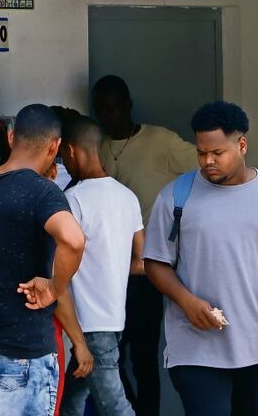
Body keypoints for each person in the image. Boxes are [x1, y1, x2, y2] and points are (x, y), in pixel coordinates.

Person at [143, 101, 258, 416]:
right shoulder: (175, 196)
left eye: (217, 153)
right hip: (196, 348)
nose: (208, 161)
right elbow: (155, 262)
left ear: (241, 145)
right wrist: (187, 301)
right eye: (201, 153)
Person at [0, 104, 86, 416]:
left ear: (11, 137)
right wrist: (53, 287)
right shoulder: (43, 193)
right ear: (55, 146)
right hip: (24, 347)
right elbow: (73, 240)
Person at [91, 74, 198, 416]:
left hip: (147, 270)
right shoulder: (101, 149)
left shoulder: (160, 141)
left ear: (128, 106)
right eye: (102, 111)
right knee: (106, 357)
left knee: (144, 359)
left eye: (113, 109)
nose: (109, 117)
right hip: (108, 272)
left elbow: (208, 167)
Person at [55, 116, 144, 416]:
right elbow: (141, 262)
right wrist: (111, 266)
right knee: (71, 399)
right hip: (115, 317)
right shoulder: (128, 197)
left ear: (71, 150)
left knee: (114, 406)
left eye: (64, 156)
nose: (65, 163)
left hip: (90, 322)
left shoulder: (73, 199)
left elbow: (60, 264)